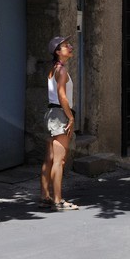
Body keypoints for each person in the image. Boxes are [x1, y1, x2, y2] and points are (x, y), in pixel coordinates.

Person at [41, 35, 80, 211]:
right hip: (59, 114)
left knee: (49, 158)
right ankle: (58, 200)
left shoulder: (54, 69)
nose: (70, 47)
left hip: (51, 113)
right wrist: (70, 117)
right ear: (58, 52)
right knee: (59, 160)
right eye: (66, 46)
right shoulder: (62, 71)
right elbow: (62, 96)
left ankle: (45, 195)